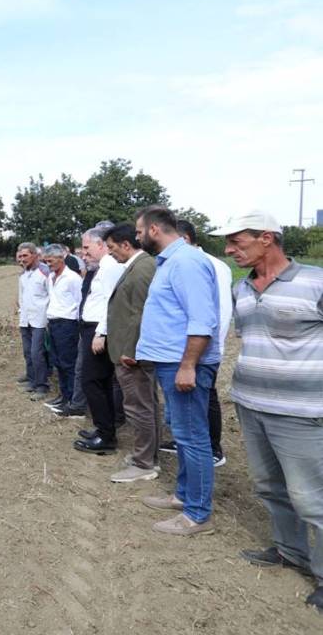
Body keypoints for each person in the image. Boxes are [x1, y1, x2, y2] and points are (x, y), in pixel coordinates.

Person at [211, 210, 323, 612]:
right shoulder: (243, 289)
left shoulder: (315, 281)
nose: (228, 250)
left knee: (313, 497)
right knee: (271, 488)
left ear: (267, 238)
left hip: (303, 412)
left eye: (236, 242)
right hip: (252, 404)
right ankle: (290, 551)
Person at [134, 206, 220, 536]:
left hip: (184, 364)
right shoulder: (171, 262)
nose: (137, 237)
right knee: (183, 435)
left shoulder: (186, 263)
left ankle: (197, 514)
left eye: (139, 231)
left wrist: (188, 365)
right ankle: (183, 496)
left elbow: (202, 319)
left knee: (193, 437)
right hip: (172, 362)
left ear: (155, 229)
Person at [158, 220, 232, 467]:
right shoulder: (184, 263)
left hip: (203, 348)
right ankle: (190, 445)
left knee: (206, 396)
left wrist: (207, 350)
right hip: (190, 347)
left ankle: (213, 449)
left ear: (185, 239)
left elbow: (215, 312)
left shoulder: (211, 265)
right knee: (192, 406)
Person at [91, 223, 160, 481]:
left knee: (138, 408)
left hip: (132, 354)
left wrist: (130, 350)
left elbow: (141, 315)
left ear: (126, 244)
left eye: (111, 248)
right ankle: (148, 457)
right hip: (131, 351)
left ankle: (144, 464)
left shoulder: (142, 269)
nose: (110, 253)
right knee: (145, 405)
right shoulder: (137, 266)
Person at [65, 227, 126, 433]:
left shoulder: (110, 268)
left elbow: (113, 303)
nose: (83, 253)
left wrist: (101, 333)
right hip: (94, 329)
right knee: (99, 382)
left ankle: (105, 432)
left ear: (101, 244)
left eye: (86, 247)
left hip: (98, 331)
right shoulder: (104, 266)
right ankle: (104, 429)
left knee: (92, 381)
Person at [41, 244, 82, 405]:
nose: (48, 264)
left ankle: (72, 398)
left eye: (50, 261)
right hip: (53, 324)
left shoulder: (73, 278)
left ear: (61, 258)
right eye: (46, 261)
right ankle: (63, 396)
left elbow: (80, 303)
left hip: (67, 325)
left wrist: (77, 328)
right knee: (57, 362)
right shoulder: (51, 278)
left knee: (68, 363)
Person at [17, 242, 50, 395]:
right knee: (27, 352)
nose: (22, 259)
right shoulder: (23, 275)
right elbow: (22, 296)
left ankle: (42, 385)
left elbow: (52, 295)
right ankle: (32, 380)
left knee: (37, 353)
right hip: (25, 319)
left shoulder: (45, 272)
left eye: (25, 255)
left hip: (40, 320)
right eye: (20, 256)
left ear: (35, 255)